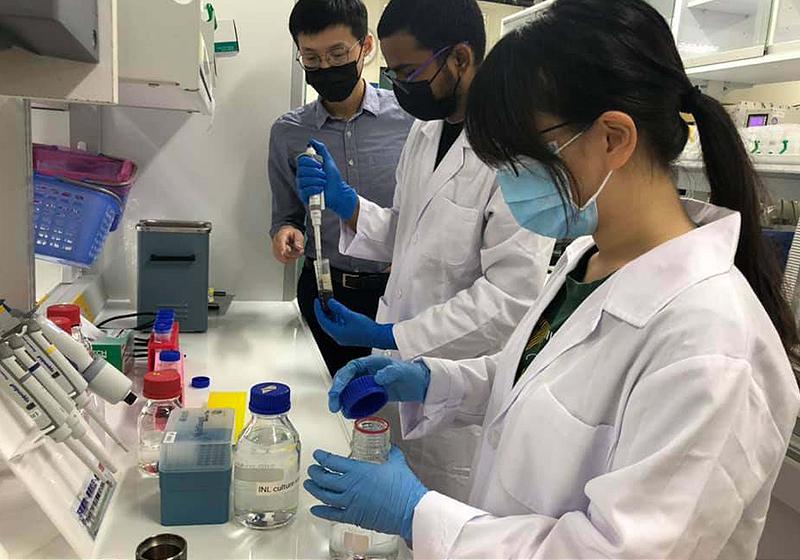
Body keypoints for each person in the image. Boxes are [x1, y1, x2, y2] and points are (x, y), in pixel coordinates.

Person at [303, 0, 800, 557]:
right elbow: (531, 379)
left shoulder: (712, 346)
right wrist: (430, 380)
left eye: (520, 157)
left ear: (613, 138)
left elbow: (613, 552)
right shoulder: (588, 260)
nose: (508, 180)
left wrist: (416, 512)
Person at [296, 0, 555, 501]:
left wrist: (391, 332)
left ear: (460, 58)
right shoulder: (426, 129)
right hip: (396, 374)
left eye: (409, 72)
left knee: (438, 520)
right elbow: (411, 231)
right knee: (382, 512)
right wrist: (348, 204)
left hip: (455, 403)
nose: (399, 86)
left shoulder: (516, 153)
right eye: (392, 73)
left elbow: (511, 298)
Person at [269, 0, 413, 376]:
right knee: (324, 396)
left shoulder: (411, 120)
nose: (325, 67)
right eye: (311, 58)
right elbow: (286, 214)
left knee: (394, 397)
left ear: (366, 46)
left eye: (337, 54)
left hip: (397, 291)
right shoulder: (288, 132)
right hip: (324, 290)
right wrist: (285, 232)